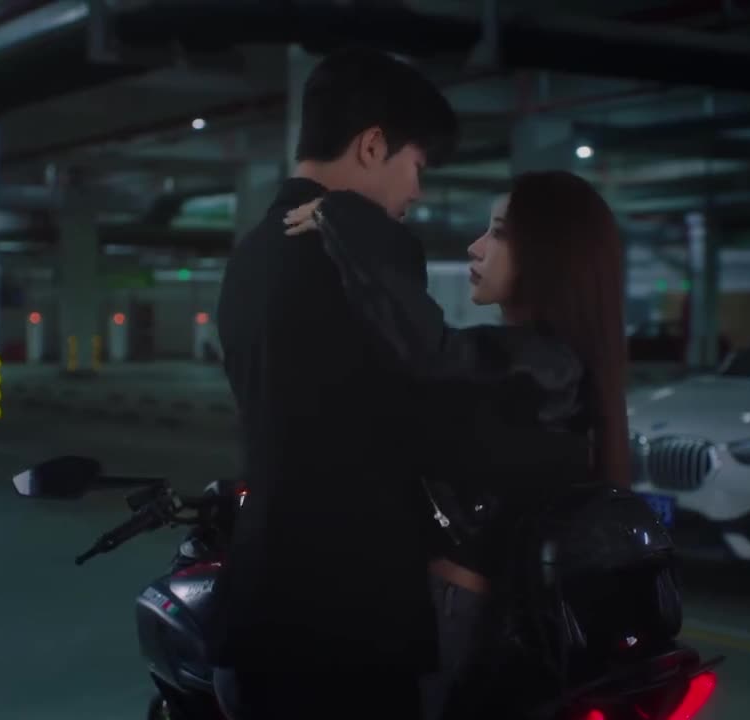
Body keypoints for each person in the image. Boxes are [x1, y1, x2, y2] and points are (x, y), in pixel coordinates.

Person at [209, 48, 582, 720]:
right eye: (417, 166)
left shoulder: (251, 254)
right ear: (373, 145)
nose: (417, 191)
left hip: (258, 601)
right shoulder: (367, 246)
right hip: (351, 620)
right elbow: (430, 391)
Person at [283, 170, 631, 719]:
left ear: (550, 255)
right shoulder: (555, 366)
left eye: (499, 232)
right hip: (485, 613)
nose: (476, 246)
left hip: (456, 613)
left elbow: (428, 352)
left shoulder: (543, 364)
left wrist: (345, 219)